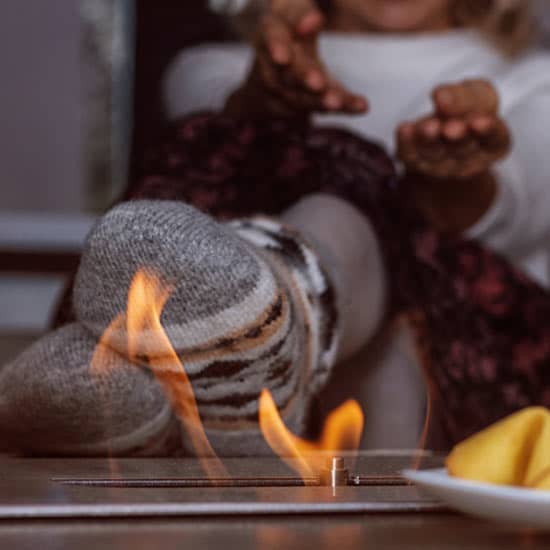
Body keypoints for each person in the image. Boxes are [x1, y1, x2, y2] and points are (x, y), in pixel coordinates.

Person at [165, 0, 550, 287]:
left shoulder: (535, 80)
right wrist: (260, 109)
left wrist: (455, 183)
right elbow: (210, 142)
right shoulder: (213, 70)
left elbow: (518, 207)